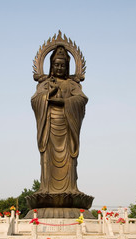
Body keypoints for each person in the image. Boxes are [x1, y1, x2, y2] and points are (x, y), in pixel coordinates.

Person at [31, 45, 88, 195]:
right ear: (51, 65)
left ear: (68, 66)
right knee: (47, 158)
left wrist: (64, 102)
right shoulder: (45, 83)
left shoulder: (71, 84)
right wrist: (49, 93)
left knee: (69, 156)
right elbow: (35, 100)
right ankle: (45, 188)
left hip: (68, 124)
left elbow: (82, 99)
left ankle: (71, 188)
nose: (59, 68)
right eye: (56, 64)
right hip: (49, 124)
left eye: (63, 65)